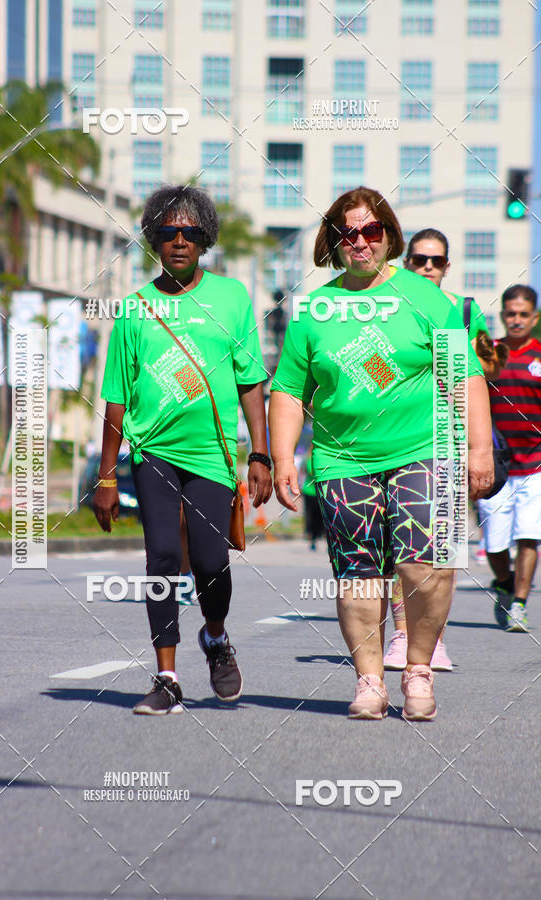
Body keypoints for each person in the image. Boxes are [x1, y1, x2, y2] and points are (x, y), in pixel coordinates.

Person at [269, 186, 494, 721]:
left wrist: (479, 450)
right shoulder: (314, 309)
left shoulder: (425, 298)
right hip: (344, 458)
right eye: (349, 233)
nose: (361, 242)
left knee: (426, 566)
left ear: (388, 236)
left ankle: (417, 667)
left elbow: (464, 375)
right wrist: (282, 458)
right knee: (359, 573)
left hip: (426, 447)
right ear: (334, 242)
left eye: (371, 231)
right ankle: (369, 680)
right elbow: (288, 390)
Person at [94, 185, 272, 715]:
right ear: (153, 238)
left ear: (205, 240)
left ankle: (215, 638)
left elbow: (250, 383)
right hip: (152, 452)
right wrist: (106, 476)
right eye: (168, 232)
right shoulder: (135, 309)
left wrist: (259, 454)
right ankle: (167, 676)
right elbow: (115, 396)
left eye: (190, 233)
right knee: (164, 558)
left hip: (212, 455)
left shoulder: (233, 298)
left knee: (213, 562)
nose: (178, 241)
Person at [384, 228, 506, 672]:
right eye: (419, 259)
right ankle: (402, 636)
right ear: (407, 262)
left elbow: (485, 372)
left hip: (450, 441)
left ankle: (433, 640)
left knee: (445, 551)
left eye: (436, 261)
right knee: (405, 551)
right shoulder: (391, 305)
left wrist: (483, 356)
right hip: (404, 441)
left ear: (447, 266)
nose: (427, 267)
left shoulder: (463, 310)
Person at [478, 284, 541, 632]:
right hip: (496, 463)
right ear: (503, 315)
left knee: (529, 534)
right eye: (511, 313)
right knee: (495, 540)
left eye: (523, 314)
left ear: (534, 317)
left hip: (536, 463)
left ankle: (519, 603)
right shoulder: (491, 354)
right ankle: (505, 581)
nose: (516, 320)